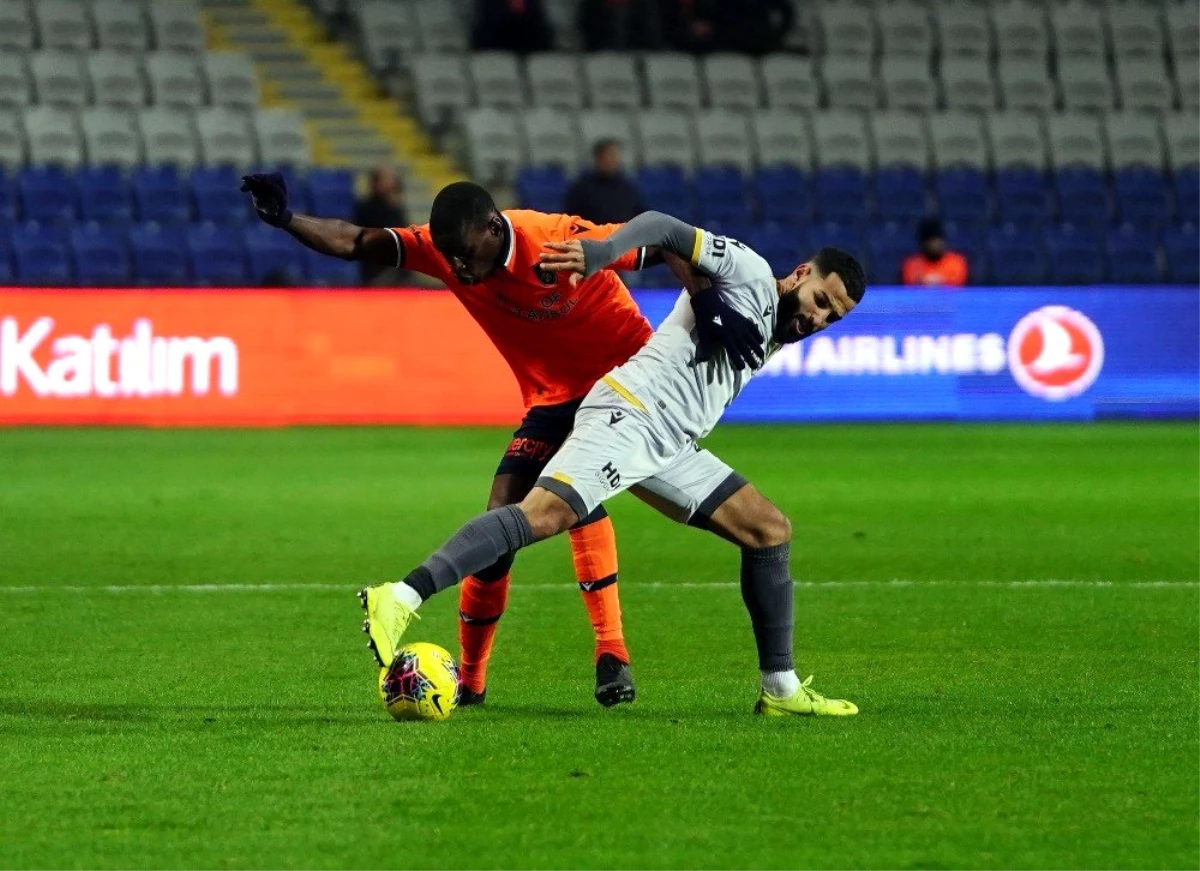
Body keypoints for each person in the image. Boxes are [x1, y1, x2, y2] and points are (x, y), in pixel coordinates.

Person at [358, 210, 867, 717]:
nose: (818, 318)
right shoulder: (750, 273)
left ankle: (780, 689)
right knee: (543, 516)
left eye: (832, 317)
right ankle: (402, 595)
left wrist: (705, 300)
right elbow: (664, 227)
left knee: (768, 530)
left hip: (670, 444)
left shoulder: (777, 324)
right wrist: (603, 254)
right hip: (629, 415)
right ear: (801, 274)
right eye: (820, 300)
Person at [239, 173, 680, 708]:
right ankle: (471, 681)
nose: (462, 269)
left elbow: (660, 243)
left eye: (467, 254)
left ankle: (612, 654)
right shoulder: (445, 251)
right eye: (453, 259)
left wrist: (717, 287)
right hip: (553, 395)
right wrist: (288, 220)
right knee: (500, 517)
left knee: (570, 496)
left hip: (624, 380)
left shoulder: (554, 237)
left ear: (494, 227)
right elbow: (356, 240)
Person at [563, 139, 645, 226]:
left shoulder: (626, 186)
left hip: (625, 236)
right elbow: (571, 220)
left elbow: (639, 213)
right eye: (610, 155)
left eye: (616, 156)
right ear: (598, 158)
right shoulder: (582, 188)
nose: (614, 160)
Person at [352, 167, 408, 286]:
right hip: (376, 265)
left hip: (396, 264)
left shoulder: (396, 208)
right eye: (386, 180)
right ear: (375, 183)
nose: (391, 183)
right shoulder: (367, 207)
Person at [902, 217, 969, 287]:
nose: (935, 245)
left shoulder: (956, 262)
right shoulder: (912, 265)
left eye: (938, 241)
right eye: (931, 241)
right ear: (924, 243)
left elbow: (958, 285)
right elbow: (911, 286)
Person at [471, 0, 554, 55]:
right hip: (496, 43)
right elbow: (490, 19)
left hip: (529, 43)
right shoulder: (490, 3)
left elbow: (537, 21)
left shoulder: (533, 3)